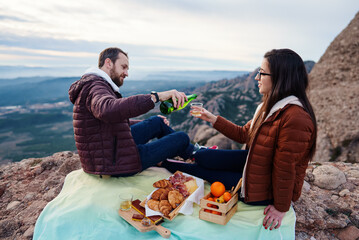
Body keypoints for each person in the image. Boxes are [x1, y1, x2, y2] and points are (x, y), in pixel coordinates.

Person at [162, 48, 317, 230]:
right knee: (204, 157)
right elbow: (244, 134)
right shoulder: (270, 106)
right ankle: (181, 154)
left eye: (262, 73)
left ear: (280, 78)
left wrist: (281, 208)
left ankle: (165, 163)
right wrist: (212, 118)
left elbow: (286, 168)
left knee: (203, 172)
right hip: (255, 163)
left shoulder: (296, 118)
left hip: (264, 187)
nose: (256, 77)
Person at [68, 47, 197, 177]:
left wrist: (144, 123)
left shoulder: (95, 83)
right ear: (108, 63)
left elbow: (109, 122)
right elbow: (107, 110)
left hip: (109, 150)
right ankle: (197, 156)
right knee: (181, 138)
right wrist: (155, 97)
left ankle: (194, 154)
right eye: (123, 67)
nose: (126, 73)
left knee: (157, 122)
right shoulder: (96, 86)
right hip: (113, 164)